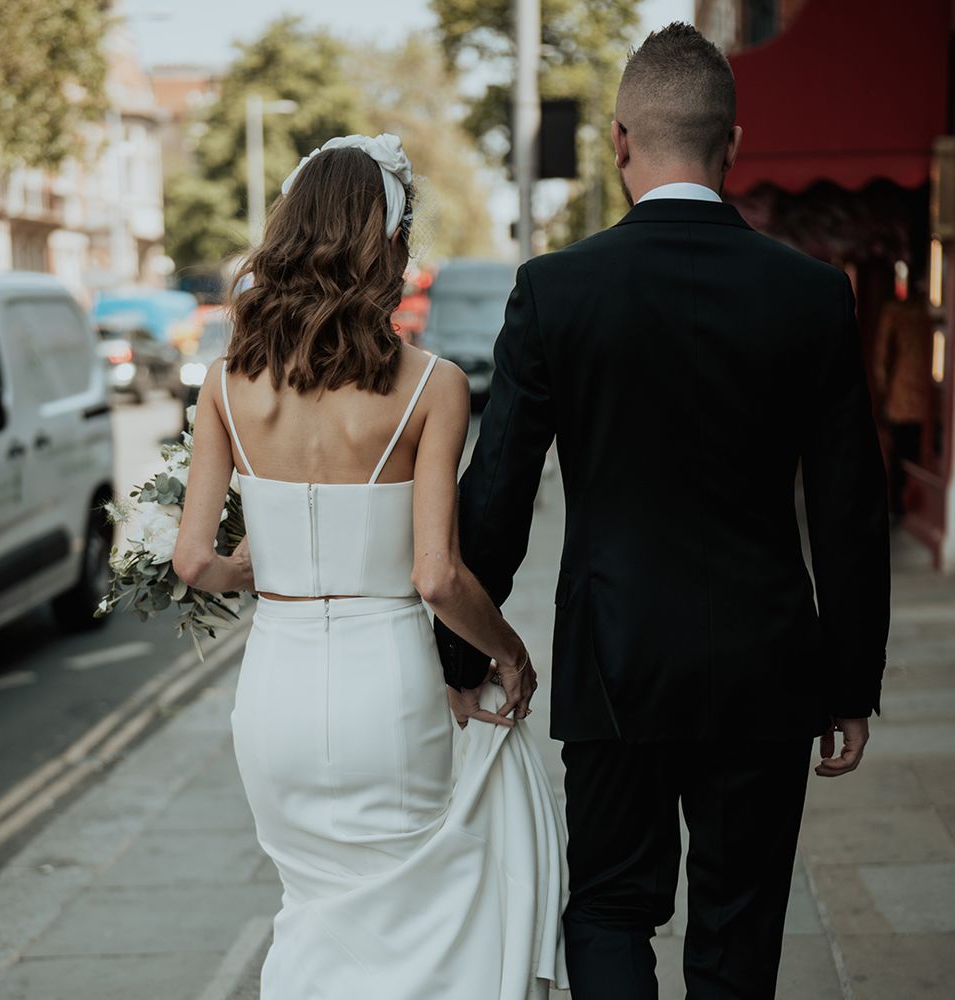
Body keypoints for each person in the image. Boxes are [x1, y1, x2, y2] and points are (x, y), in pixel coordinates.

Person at [435, 23, 891, 1000]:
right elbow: (853, 507)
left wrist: (466, 659)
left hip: (612, 662)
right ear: (734, 144)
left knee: (606, 908)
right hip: (767, 668)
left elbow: (499, 490)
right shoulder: (810, 295)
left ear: (617, 141)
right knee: (737, 932)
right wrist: (848, 682)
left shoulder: (554, 291)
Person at [172, 133, 568, 999]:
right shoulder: (432, 386)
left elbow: (195, 559)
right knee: (417, 920)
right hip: (385, 691)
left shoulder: (224, 382)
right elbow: (438, 577)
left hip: (273, 694)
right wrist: (508, 653)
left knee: (312, 912)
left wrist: (259, 570)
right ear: (385, 241)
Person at [874, 283, 932, 518]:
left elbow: (881, 358)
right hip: (927, 399)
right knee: (917, 452)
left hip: (901, 396)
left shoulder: (894, 312)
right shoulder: (926, 312)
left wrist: (883, 389)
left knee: (899, 454)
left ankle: (899, 506)